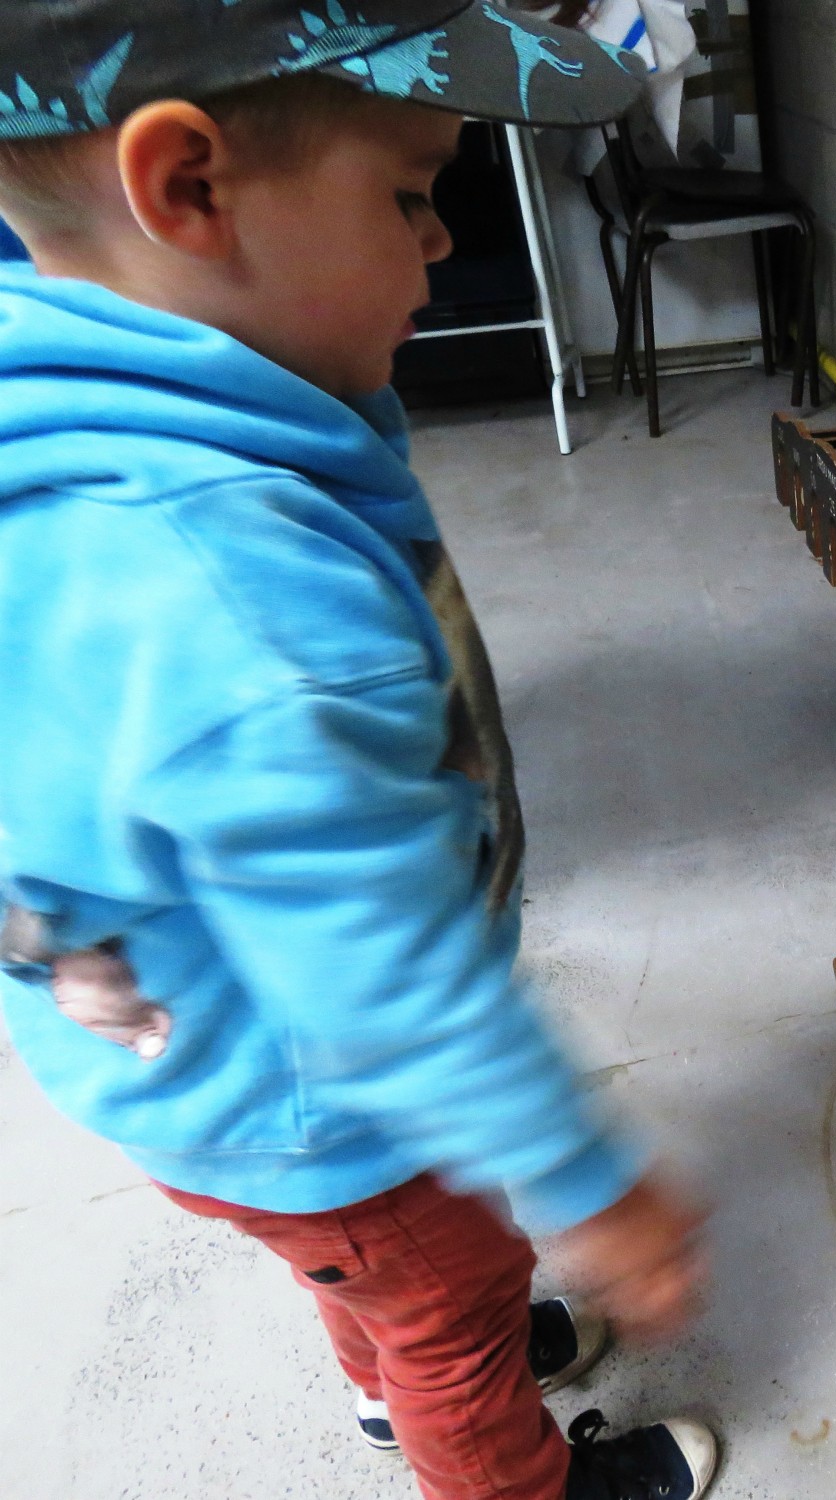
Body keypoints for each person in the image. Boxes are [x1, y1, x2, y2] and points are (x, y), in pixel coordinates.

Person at [0, 6, 715, 1498]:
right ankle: (503, 1468)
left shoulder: (70, 382)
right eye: (409, 190)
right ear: (187, 189)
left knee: (377, 1286)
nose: (444, 242)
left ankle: (395, 1377)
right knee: (450, 1306)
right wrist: (599, 1187)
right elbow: (382, 981)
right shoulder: (239, 598)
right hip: (333, 1107)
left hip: (194, 1075)